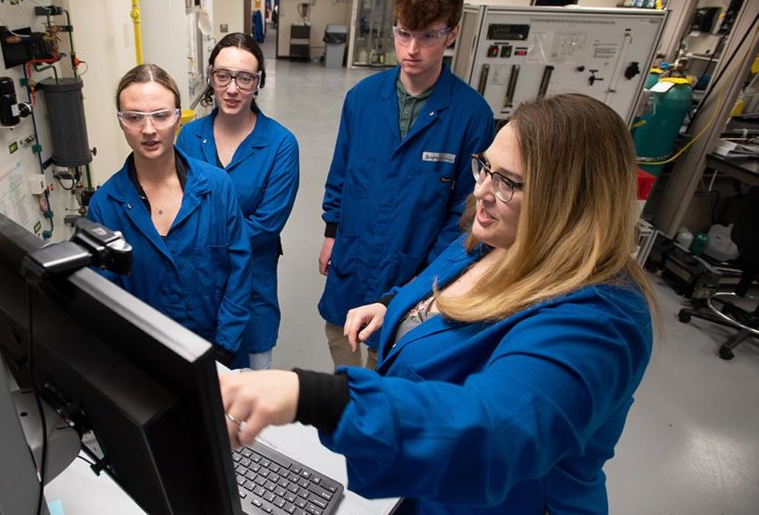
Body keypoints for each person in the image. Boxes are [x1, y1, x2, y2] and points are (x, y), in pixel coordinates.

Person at [220, 94, 657, 513]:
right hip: (420, 484)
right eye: (485, 167)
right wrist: (395, 306)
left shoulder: (600, 317)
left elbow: (494, 430)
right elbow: (443, 289)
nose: (480, 191)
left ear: (570, 202)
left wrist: (314, 397)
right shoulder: (496, 238)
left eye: (506, 182)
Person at [318, 0, 496, 369]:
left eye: (428, 36)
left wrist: (432, 277)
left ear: (453, 32)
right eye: (404, 33)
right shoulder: (362, 99)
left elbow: (465, 215)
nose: (412, 50)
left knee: (391, 362)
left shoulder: (471, 116)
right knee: (342, 346)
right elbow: (342, 173)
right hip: (354, 255)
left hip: (416, 267)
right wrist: (331, 234)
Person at [87, 64, 252, 367]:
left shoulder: (216, 188)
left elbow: (239, 272)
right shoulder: (105, 206)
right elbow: (107, 294)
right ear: (121, 122)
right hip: (148, 359)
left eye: (161, 115)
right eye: (134, 117)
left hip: (218, 352)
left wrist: (225, 348)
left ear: (178, 118)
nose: (148, 130)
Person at [178, 33, 300, 370]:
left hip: (252, 286)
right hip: (198, 286)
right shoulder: (190, 137)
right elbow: (179, 205)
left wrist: (206, 240)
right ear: (211, 77)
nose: (232, 88)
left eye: (244, 78)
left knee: (253, 384)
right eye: (223, 76)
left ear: (258, 82)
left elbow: (267, 224)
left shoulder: (281, 144)